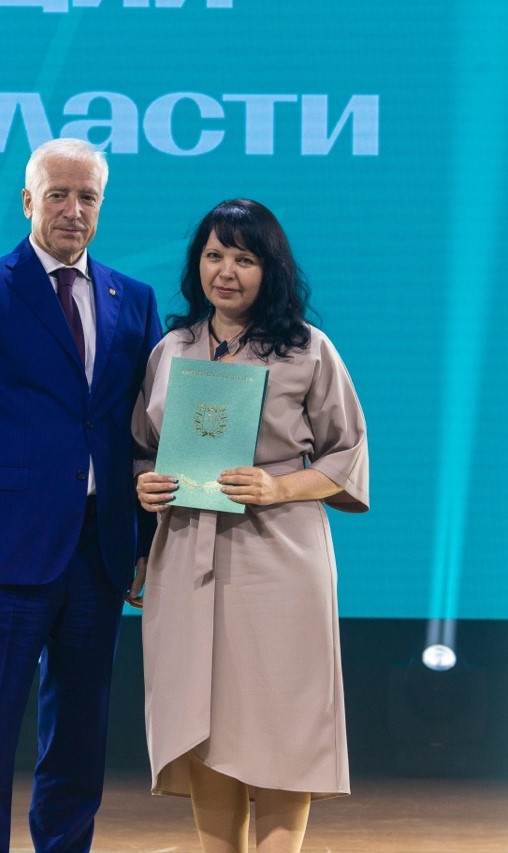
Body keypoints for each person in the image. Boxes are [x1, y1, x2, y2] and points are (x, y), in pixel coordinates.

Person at [0, 137, 162, 853]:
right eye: (58, 194)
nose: (72, 210)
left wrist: (144, 544)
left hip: (98, 552)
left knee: (80, 735)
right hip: (0, 554)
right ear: (28, 200)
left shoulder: (133, 299)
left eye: (87, 197)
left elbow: (146, 433)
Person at [131, 199, 369, 853]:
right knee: (202, 720)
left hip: (279, 557)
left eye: (244, 258)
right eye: (214, 255)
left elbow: (347, 454)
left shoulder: (307, 349)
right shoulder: (171, 349)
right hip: (185, 553)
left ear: (271, 269)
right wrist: (144, 484)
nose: (226, 271)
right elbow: (142, 448)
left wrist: (278, 486)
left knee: (282, 720)